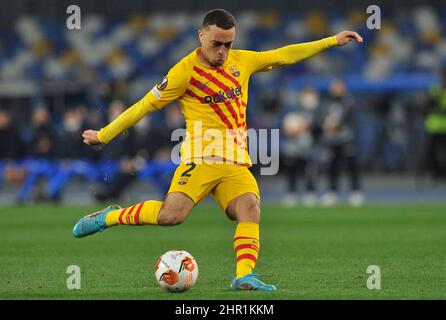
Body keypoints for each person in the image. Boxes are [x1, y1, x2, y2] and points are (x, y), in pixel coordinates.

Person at [72, 9, 363, 291]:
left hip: (235, 161)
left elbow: (284, 55)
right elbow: (144, 105)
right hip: (200, 159)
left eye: (228, 44)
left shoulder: (242, 61)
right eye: (216, 44)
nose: (222, 51)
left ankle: (244, 276)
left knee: (250, 208)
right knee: (171, 216)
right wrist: (104, 134)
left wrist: (330, 41)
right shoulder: (183, 72)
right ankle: (110, 216)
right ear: (201, 36)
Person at [320, 79, 364, 206]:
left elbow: (349, 117)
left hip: (347, 138)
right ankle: (332, 191)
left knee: (351, 165)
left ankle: (355, 191)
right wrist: (324, 125)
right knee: (333, 166)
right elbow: (320, 117)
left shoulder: (349, 100)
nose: (336, 89)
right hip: (332, 140)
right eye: (335, 87)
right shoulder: (326, 102)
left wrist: (336, 125)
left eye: (339, 87)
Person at [281, 87, 321, 207]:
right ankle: (291, 192)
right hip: (293, 148)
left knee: (309, 171)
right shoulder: (293, 113)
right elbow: (287, 128)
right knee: (292, 171)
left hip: (308, 147)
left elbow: (317, 129)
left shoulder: (317, 113)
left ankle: (310, 192)